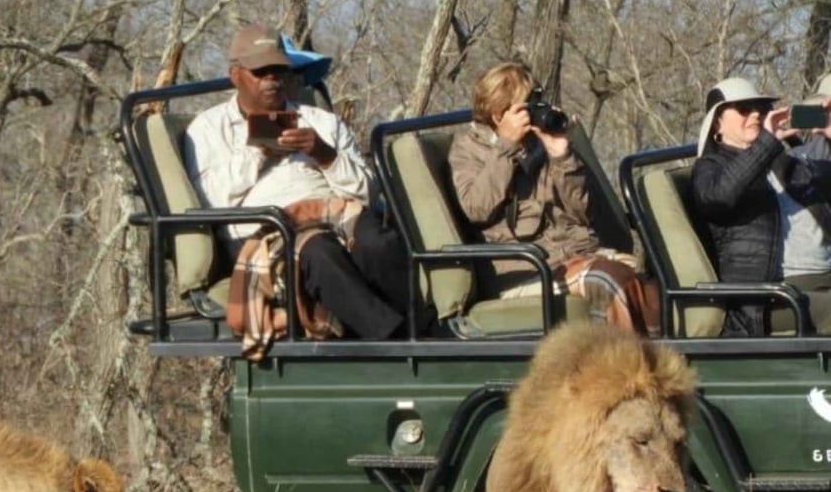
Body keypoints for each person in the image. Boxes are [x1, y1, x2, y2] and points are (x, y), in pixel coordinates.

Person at [183, 24, 420, 341]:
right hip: (268, 228)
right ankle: (397, 343)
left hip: (334, 213)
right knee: (320, 252)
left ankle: (425, 327)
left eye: (279, 70)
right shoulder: (209, 128)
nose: (273, 79)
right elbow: (213, 199)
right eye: (261, 71)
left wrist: (324, 155)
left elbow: (368, 191)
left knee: (379, 241)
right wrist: (258, 153)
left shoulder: (321, 122)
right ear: (235, 75)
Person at [447, 61, 652, 334]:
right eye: (525, 108)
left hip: (572, 254)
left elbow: (581, 212)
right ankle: (627, 372)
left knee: (654, 279)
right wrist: (507, 149)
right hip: (523, 270)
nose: (533, 114)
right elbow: (477, 208)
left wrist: (561, 156)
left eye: (536, 104)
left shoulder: (539, 144)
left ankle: (665, 364)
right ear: (499, 115)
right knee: (607, 281)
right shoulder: (467, 151)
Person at [691, 76, 831, 336]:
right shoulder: (710, 168)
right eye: (744, 109)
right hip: (771, 297)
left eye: (761, 108)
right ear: (717, 122)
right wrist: (767, 142)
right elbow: (719, 197)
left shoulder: (782, 161)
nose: (755, 114)